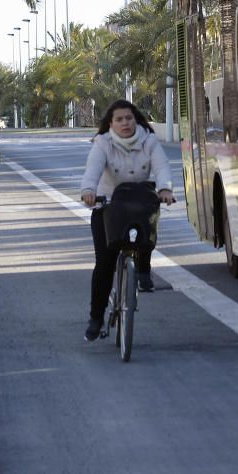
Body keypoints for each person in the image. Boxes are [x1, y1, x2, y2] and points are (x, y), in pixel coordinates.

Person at [80, 99, 176, 342]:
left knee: (146, 225)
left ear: (136, 120)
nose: (125, 123)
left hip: (139, 201)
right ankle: (96, 317)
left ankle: (144, 270)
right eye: (119, 119)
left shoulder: (149, 141)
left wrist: (165, 188)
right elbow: (92, 169)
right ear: (111, 123)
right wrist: (88, 191)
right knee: (105, 263)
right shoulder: (102, 143)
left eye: (129, 118)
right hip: (108, 204)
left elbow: (162, 167)